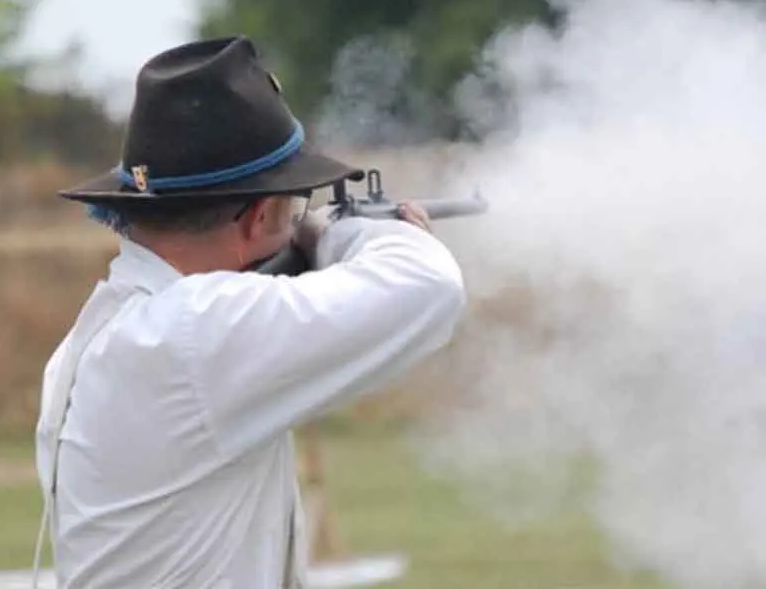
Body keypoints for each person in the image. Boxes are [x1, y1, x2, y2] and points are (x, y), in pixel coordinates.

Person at [33, 36, 466, 589]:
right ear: (260, 217)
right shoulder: (188, 329)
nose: (296, 223)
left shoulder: (111, 333)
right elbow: (428, 283)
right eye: (292, 209)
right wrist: (345, 230)